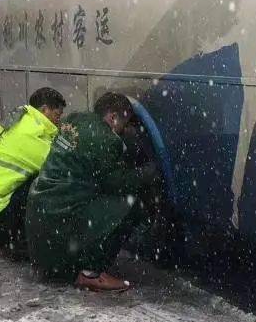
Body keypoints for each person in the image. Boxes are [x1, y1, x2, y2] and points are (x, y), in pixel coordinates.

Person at [26, 92, 160, 292]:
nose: (124, 131)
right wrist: (146, 173)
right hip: (62, 224)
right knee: (132, 206)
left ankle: (66, 265)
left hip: (40, 217)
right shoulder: (107, 139)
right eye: (124, 125)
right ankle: (91, 274)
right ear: (113, 117)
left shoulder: (73, 119)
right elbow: (116, 184)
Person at [0, 87, 66, 257]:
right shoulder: (30, 134)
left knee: (28, 181)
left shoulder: (23, 121)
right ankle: (19, 241)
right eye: (57, 115)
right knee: (47, 184)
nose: (59, 120)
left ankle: (5, 236)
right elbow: (60, 167)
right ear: (44, 109)